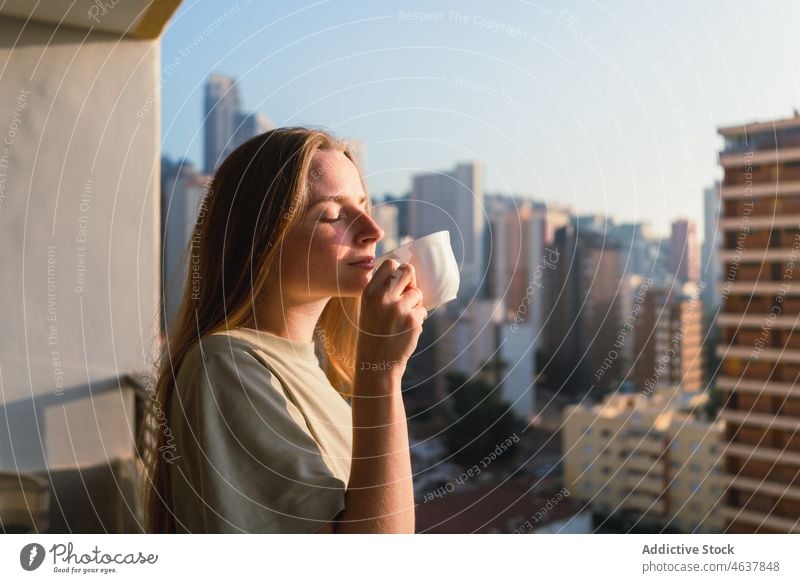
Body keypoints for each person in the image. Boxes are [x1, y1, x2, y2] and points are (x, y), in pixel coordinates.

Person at [140, 127, 426, 533]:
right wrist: (381, 370)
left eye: (364, 206)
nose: (372, 231)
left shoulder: (305, 367)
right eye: (332, 214)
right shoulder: (228, 369)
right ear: (263, 237)